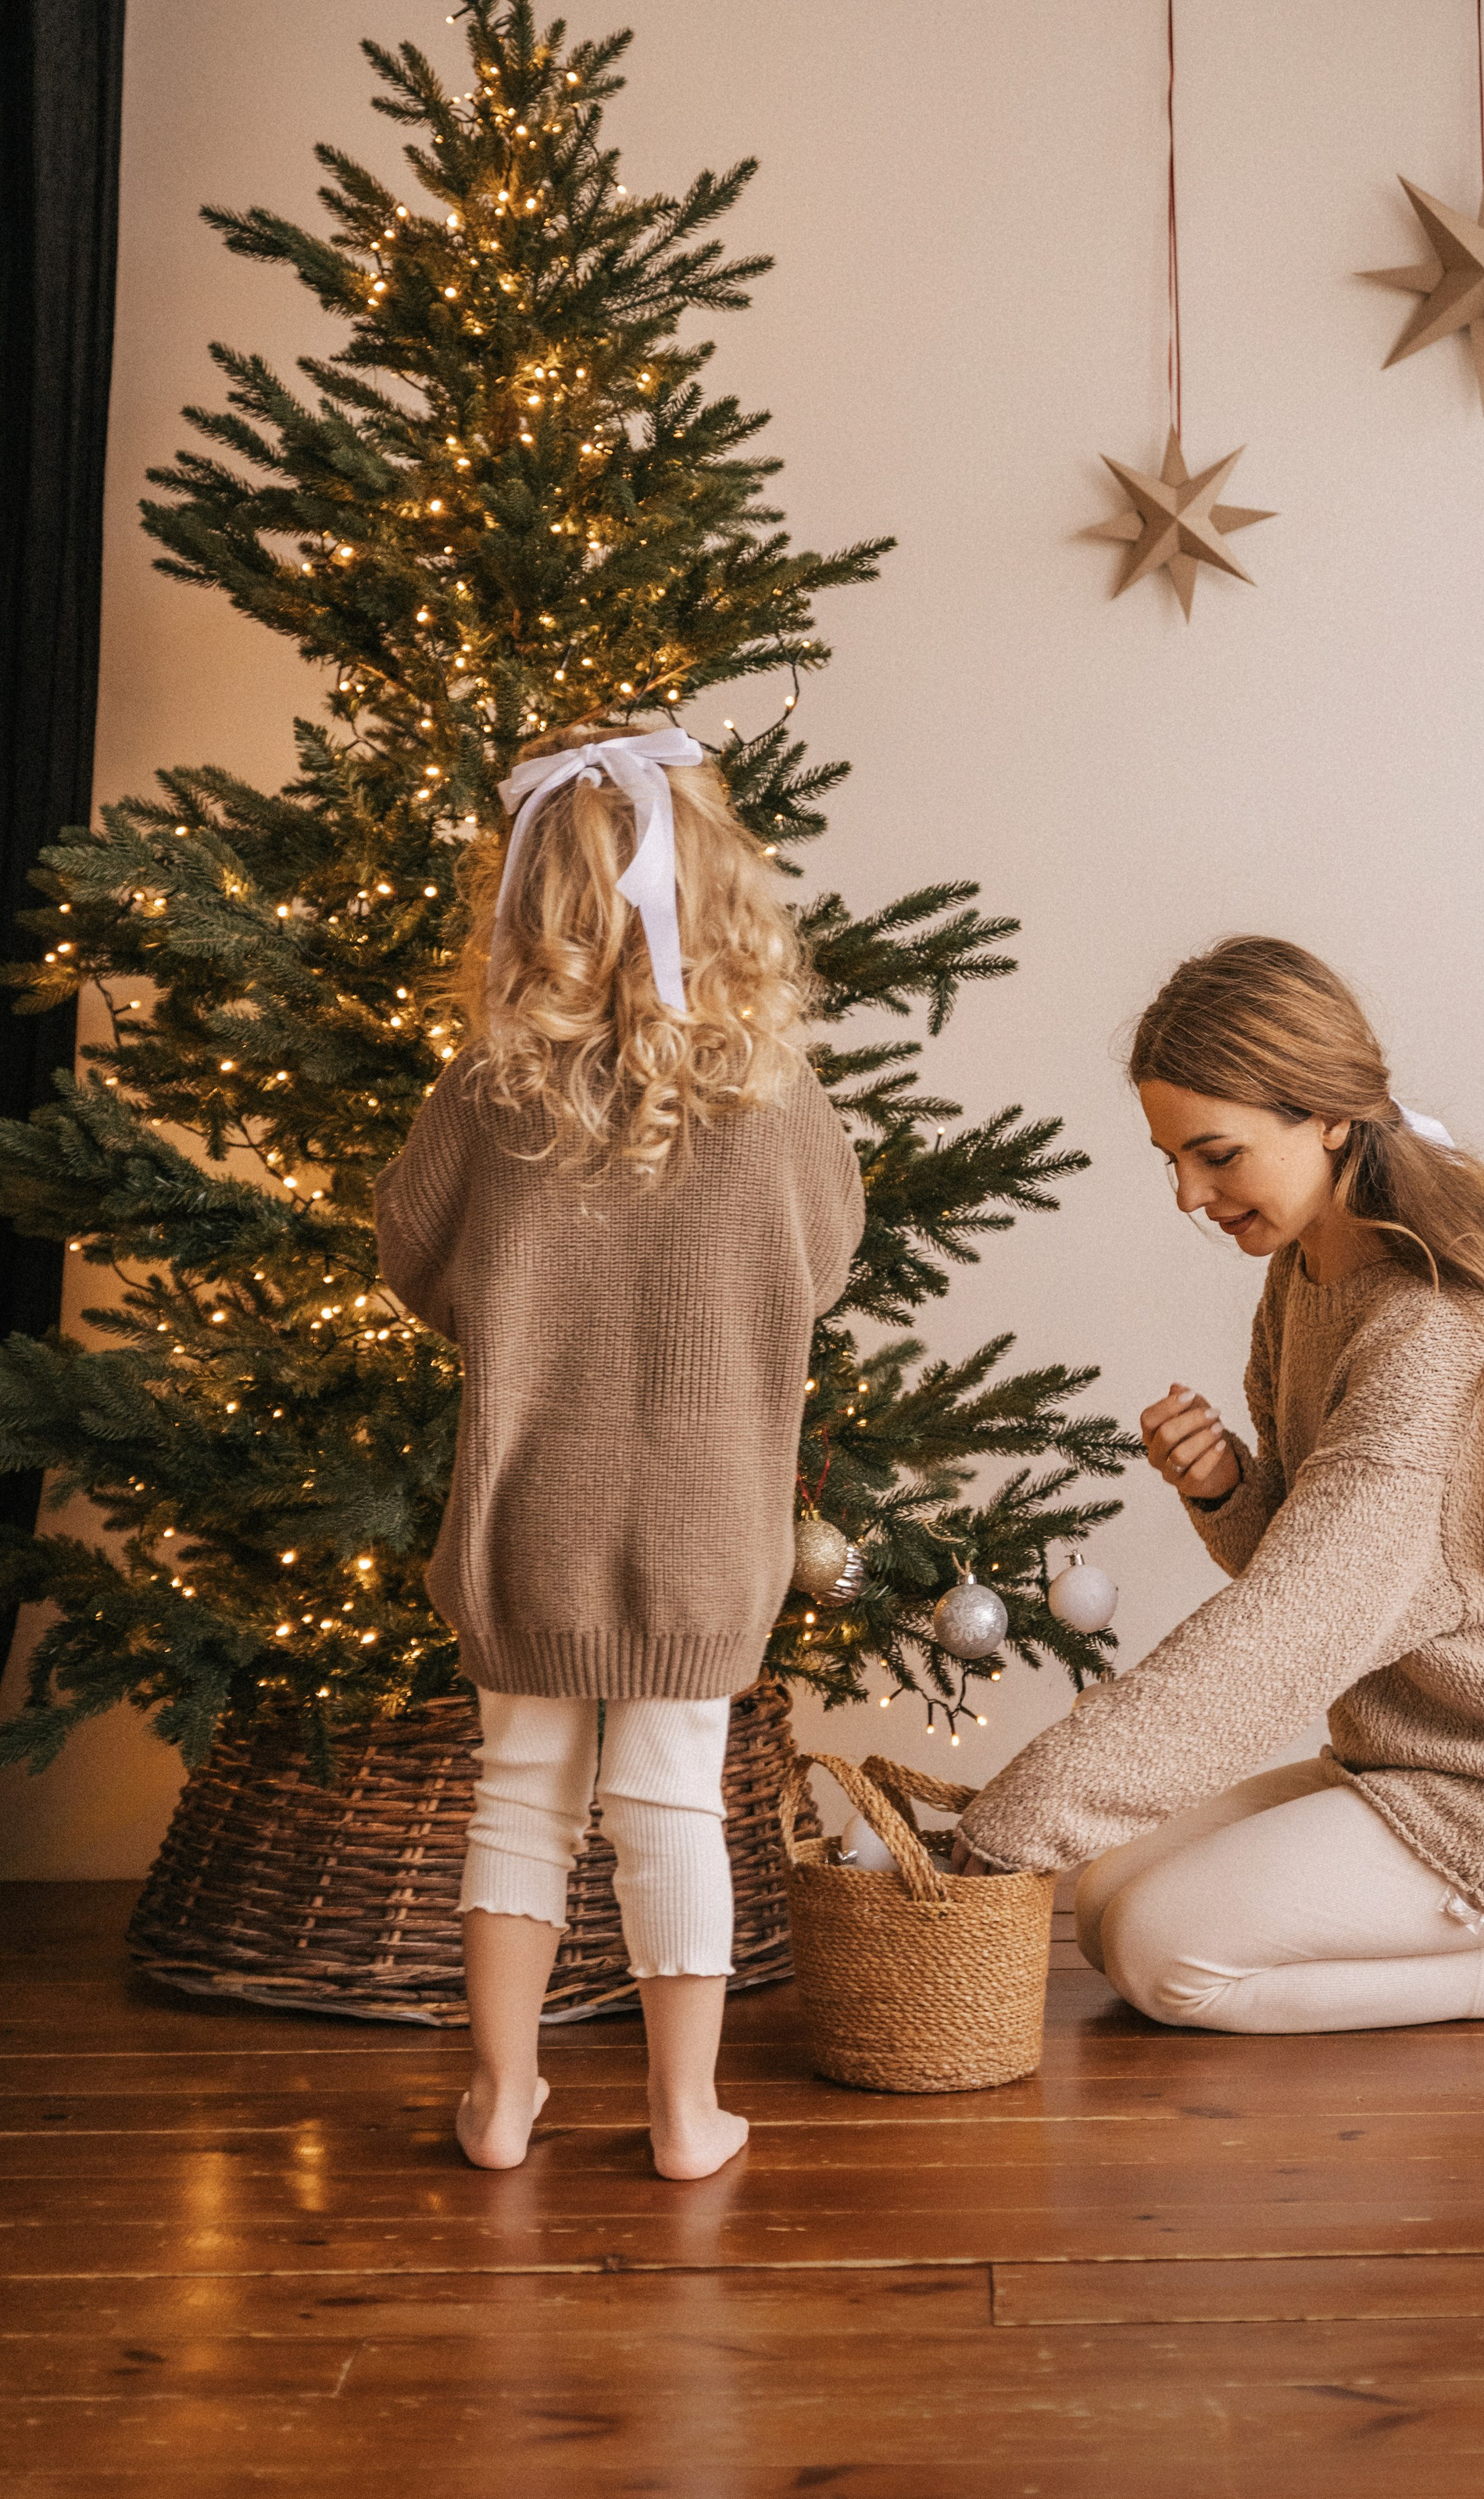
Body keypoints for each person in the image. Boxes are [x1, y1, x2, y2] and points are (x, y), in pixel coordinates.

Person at [955, 937, 1484, 2033]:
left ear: (1327, 1116)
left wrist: (1012, 1819)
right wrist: (1228, 1489)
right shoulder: (1305, 1274)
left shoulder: (1428, 1331)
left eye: (1216, 1155)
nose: (1188, 1195)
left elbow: (1291, 1633)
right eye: (1171, 1161)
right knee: (1107, 1896)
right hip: (1412, 1753)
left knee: (1163, 1955)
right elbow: (1351, 1577)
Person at [377, 720, 864, 2174]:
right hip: (709, 1521)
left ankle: (501, 2099)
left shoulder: (489, 1092)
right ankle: (683, 2114)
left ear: (527, 900)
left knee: (519, 1792)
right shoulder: (775, 1097)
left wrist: (523, 1307)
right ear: (719, 887)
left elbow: (409, 1252)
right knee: (672, 1801)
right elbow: (828, 1260)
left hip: (530, 1506)